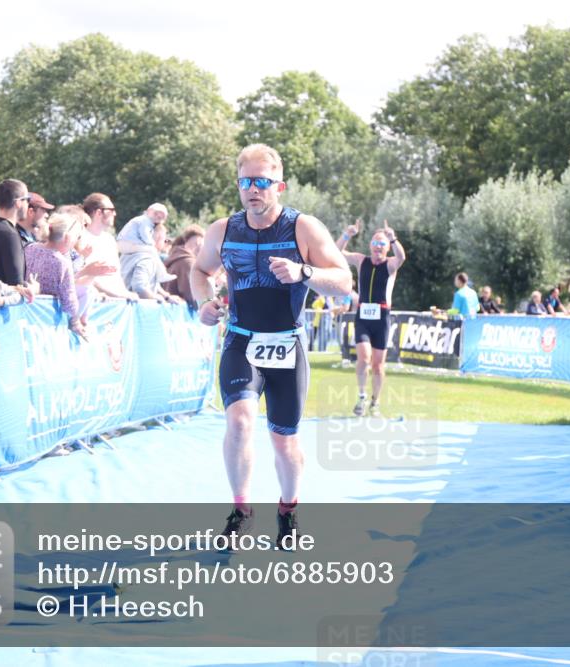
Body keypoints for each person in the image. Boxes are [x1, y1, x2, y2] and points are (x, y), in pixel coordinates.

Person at [191, 144, 351, 549]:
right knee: (240, 422)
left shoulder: (303, 228)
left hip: (287, 344)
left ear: (279, 185)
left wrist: (304, 271)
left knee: (285, 441)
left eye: (261, 182)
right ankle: (241, 510)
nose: (253, 190)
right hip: (240, 342)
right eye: (245, 182)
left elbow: (344, 282)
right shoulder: (222, 230)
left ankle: (288, 509)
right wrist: (204, 303)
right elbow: (200, 270)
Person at [336, 218, 406, 417]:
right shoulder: (361, 260)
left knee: (377, 365)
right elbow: (337, 252)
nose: (377, 247)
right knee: (363, 358)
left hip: (382, 318)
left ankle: (375, 402)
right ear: (370, 245)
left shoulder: (391, 264)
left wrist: (393, 239)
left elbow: (401, 257)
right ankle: (361, 396)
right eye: (375, 243)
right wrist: (347, 234)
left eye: (381, 244)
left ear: (386, 248)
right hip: (363, 318)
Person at [25, 214, 88, 338]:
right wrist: (76, 322)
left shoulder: (30, 248)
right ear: (67, 237)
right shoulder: (62, 262)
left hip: (26, 314)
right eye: (77, 236)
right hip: (47, 324)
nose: (77, 241)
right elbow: (69, 302)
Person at [120, 219, 181, 302]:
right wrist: (157, 298)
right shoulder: (147, 259)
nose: (165, 243)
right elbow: (139, 287)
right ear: (158, 238)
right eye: (165, 240)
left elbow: (152, 282)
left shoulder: (128, 254)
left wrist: (166, 296)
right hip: (136, 310)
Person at [164, 224, 205, 304]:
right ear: (198, 242)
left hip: (169, 310)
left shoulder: (175, 257)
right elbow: (191, 295)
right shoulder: (188, 262)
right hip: (180, 313)